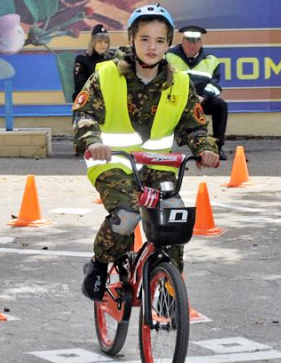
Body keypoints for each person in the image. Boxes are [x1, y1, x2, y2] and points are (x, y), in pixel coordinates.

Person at [71, 4, 221, 301]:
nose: (152, 47)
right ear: (131, 39)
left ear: (168, 43)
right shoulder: (106, 75)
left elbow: (194, 126)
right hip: (113, 162)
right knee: (127, 216)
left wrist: (205, 149)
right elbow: (84, 114)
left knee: (174, 218)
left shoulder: (179, 82)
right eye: (144, 39)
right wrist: (91, 141)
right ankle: (100, 264)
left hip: (158, 166)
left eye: (160, 40)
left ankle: (168, 292)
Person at [166, 25, 228, 160]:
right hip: (176, 100)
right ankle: (165, 150)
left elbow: (215, 85)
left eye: (195, 41)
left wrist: (203, 97)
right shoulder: (169, 56)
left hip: (201, 100)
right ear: (182, 41)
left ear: (200, 43)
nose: (192, 45)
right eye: (188, 40)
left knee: (220, 105)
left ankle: (217, 148)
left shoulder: (211, 60)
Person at [73, 24, 112, 102]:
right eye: (99, 41)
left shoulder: (112, 59)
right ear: (93, 42)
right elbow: (80, 85)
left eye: (106, 42)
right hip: (88, 102)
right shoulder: (82, 59)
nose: (103, 45)